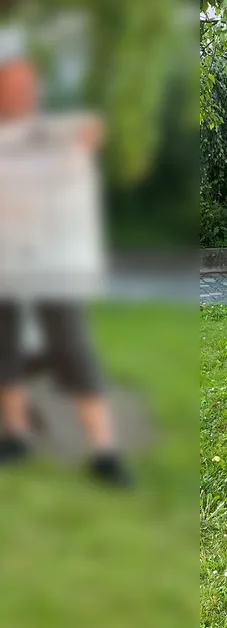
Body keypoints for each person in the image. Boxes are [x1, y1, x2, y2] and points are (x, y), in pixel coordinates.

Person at [0, 54, 129, 485]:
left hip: (54, 265)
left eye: (24, 86)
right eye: (10, 86)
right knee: (5, 350)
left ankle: (105, 452)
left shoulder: (55, 136)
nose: (18, 93)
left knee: (73, 350)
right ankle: (15, 434)